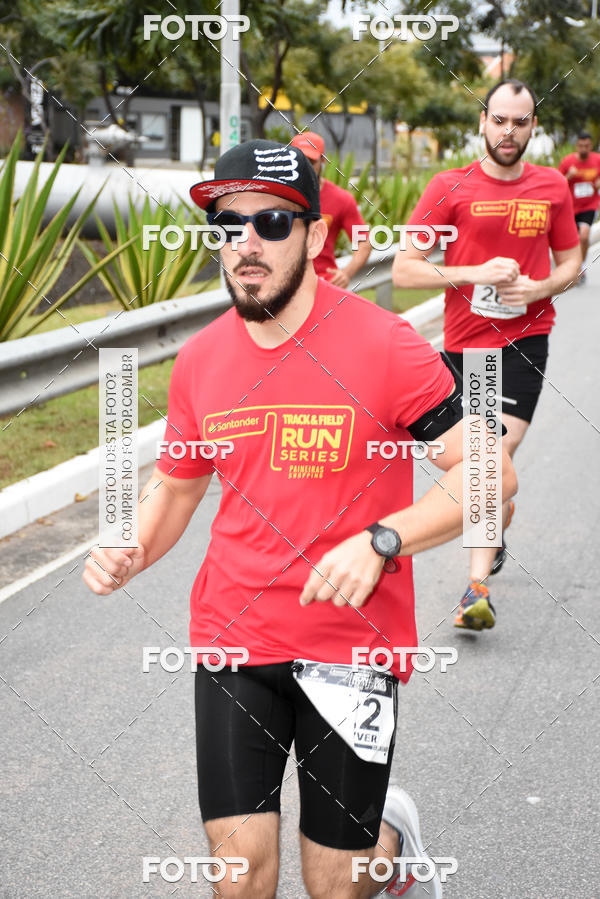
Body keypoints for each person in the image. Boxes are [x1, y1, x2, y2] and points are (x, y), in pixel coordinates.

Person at [83, 140, 516, 898]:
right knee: (240, 873)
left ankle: (389, 838)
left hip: (352, 646)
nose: (246, 242)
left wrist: (384, 541)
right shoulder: (201, 361)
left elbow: (490, 472)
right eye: (228, 223)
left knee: (335, 881)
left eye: (272, 224)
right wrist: (127, 544)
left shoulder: (386, 345)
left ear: (315, 237)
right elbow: (177, 489)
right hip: (233, 636)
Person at [392, 79, 580, 632]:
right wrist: (473, 272)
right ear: (482, 122)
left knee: (491, 457)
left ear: (532, 127)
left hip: (526, 341)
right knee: (485, 465)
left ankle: (477, 583)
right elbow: (404, 269)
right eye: (499, 120)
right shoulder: (449, 186)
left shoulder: (552, 187)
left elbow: (571, 263)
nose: (508, 131)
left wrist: (541, 288)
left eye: (520, 122)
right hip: (466, 346)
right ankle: (485, 557)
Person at [290, 131, 372, 286]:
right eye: (300, 162)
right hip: (285, 286)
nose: (305, 168)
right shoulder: (277, 196)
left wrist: (346, 273)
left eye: (311, 162)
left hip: (324, 284)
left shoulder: (341, 199)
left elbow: (364, 243)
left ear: (322, 160)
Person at [558, 131, 600, 282]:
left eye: (587, 146)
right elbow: (557, 183)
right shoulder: (567, 162)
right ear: (577, 146)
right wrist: (569, 175)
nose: (584, 149)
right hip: (570, 207)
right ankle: (568, 266)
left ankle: (580, 267)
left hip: (590, 204)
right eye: (581, 146)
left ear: (591, 146)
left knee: (584, 235)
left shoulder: (597, 160)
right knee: (571, 239)